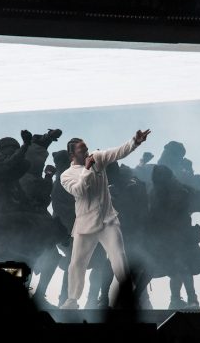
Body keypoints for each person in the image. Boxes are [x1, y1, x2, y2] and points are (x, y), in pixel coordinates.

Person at [59, 129, 151, 309]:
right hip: (85, 224)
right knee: (77, 262)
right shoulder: (66, 175)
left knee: (119, 257)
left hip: (108, 220)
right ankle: (72, 300)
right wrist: (87, 169)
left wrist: (135, 142)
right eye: (81, 150)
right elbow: (79, 191)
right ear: (72, 155)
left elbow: (118, 152)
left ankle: (129, 295)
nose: (86, 152)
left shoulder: (98, 158)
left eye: (86, 148)